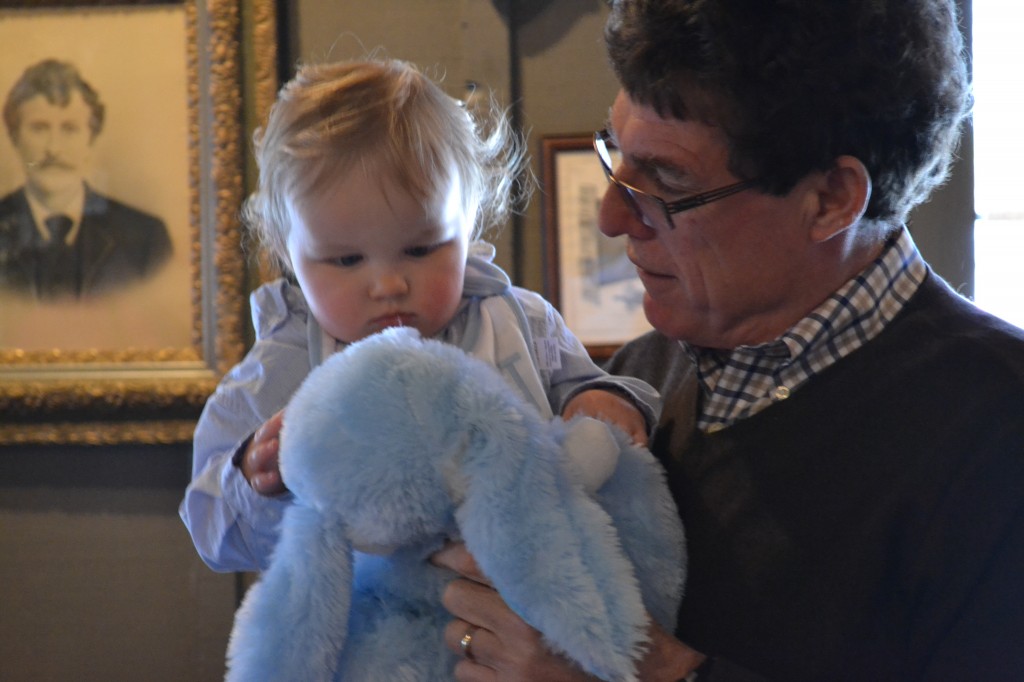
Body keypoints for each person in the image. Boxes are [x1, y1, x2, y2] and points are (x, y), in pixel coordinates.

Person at [433, 0, 1024, 680]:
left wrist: (657, 674)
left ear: (832, 197)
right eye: (617, 156)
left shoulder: (999, 427)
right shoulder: (637, 378)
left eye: (670, 180)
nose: (611, 216)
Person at [179, 58, 659, 573]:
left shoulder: (522, 323)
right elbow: (212, 533)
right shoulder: (281, 366)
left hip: (526, 602)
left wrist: (602, 400)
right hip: (372, 631)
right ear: (284, 247)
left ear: (470, 217)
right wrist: (253, 477)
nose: (389, 285)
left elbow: (598, 404)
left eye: (421, 248)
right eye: (346, 260)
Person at [0, 59, 172, 300]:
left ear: (91, 138)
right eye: (39, 128)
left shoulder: (145, 239)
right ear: (15, 137)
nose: (53, 149)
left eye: (69, 129)